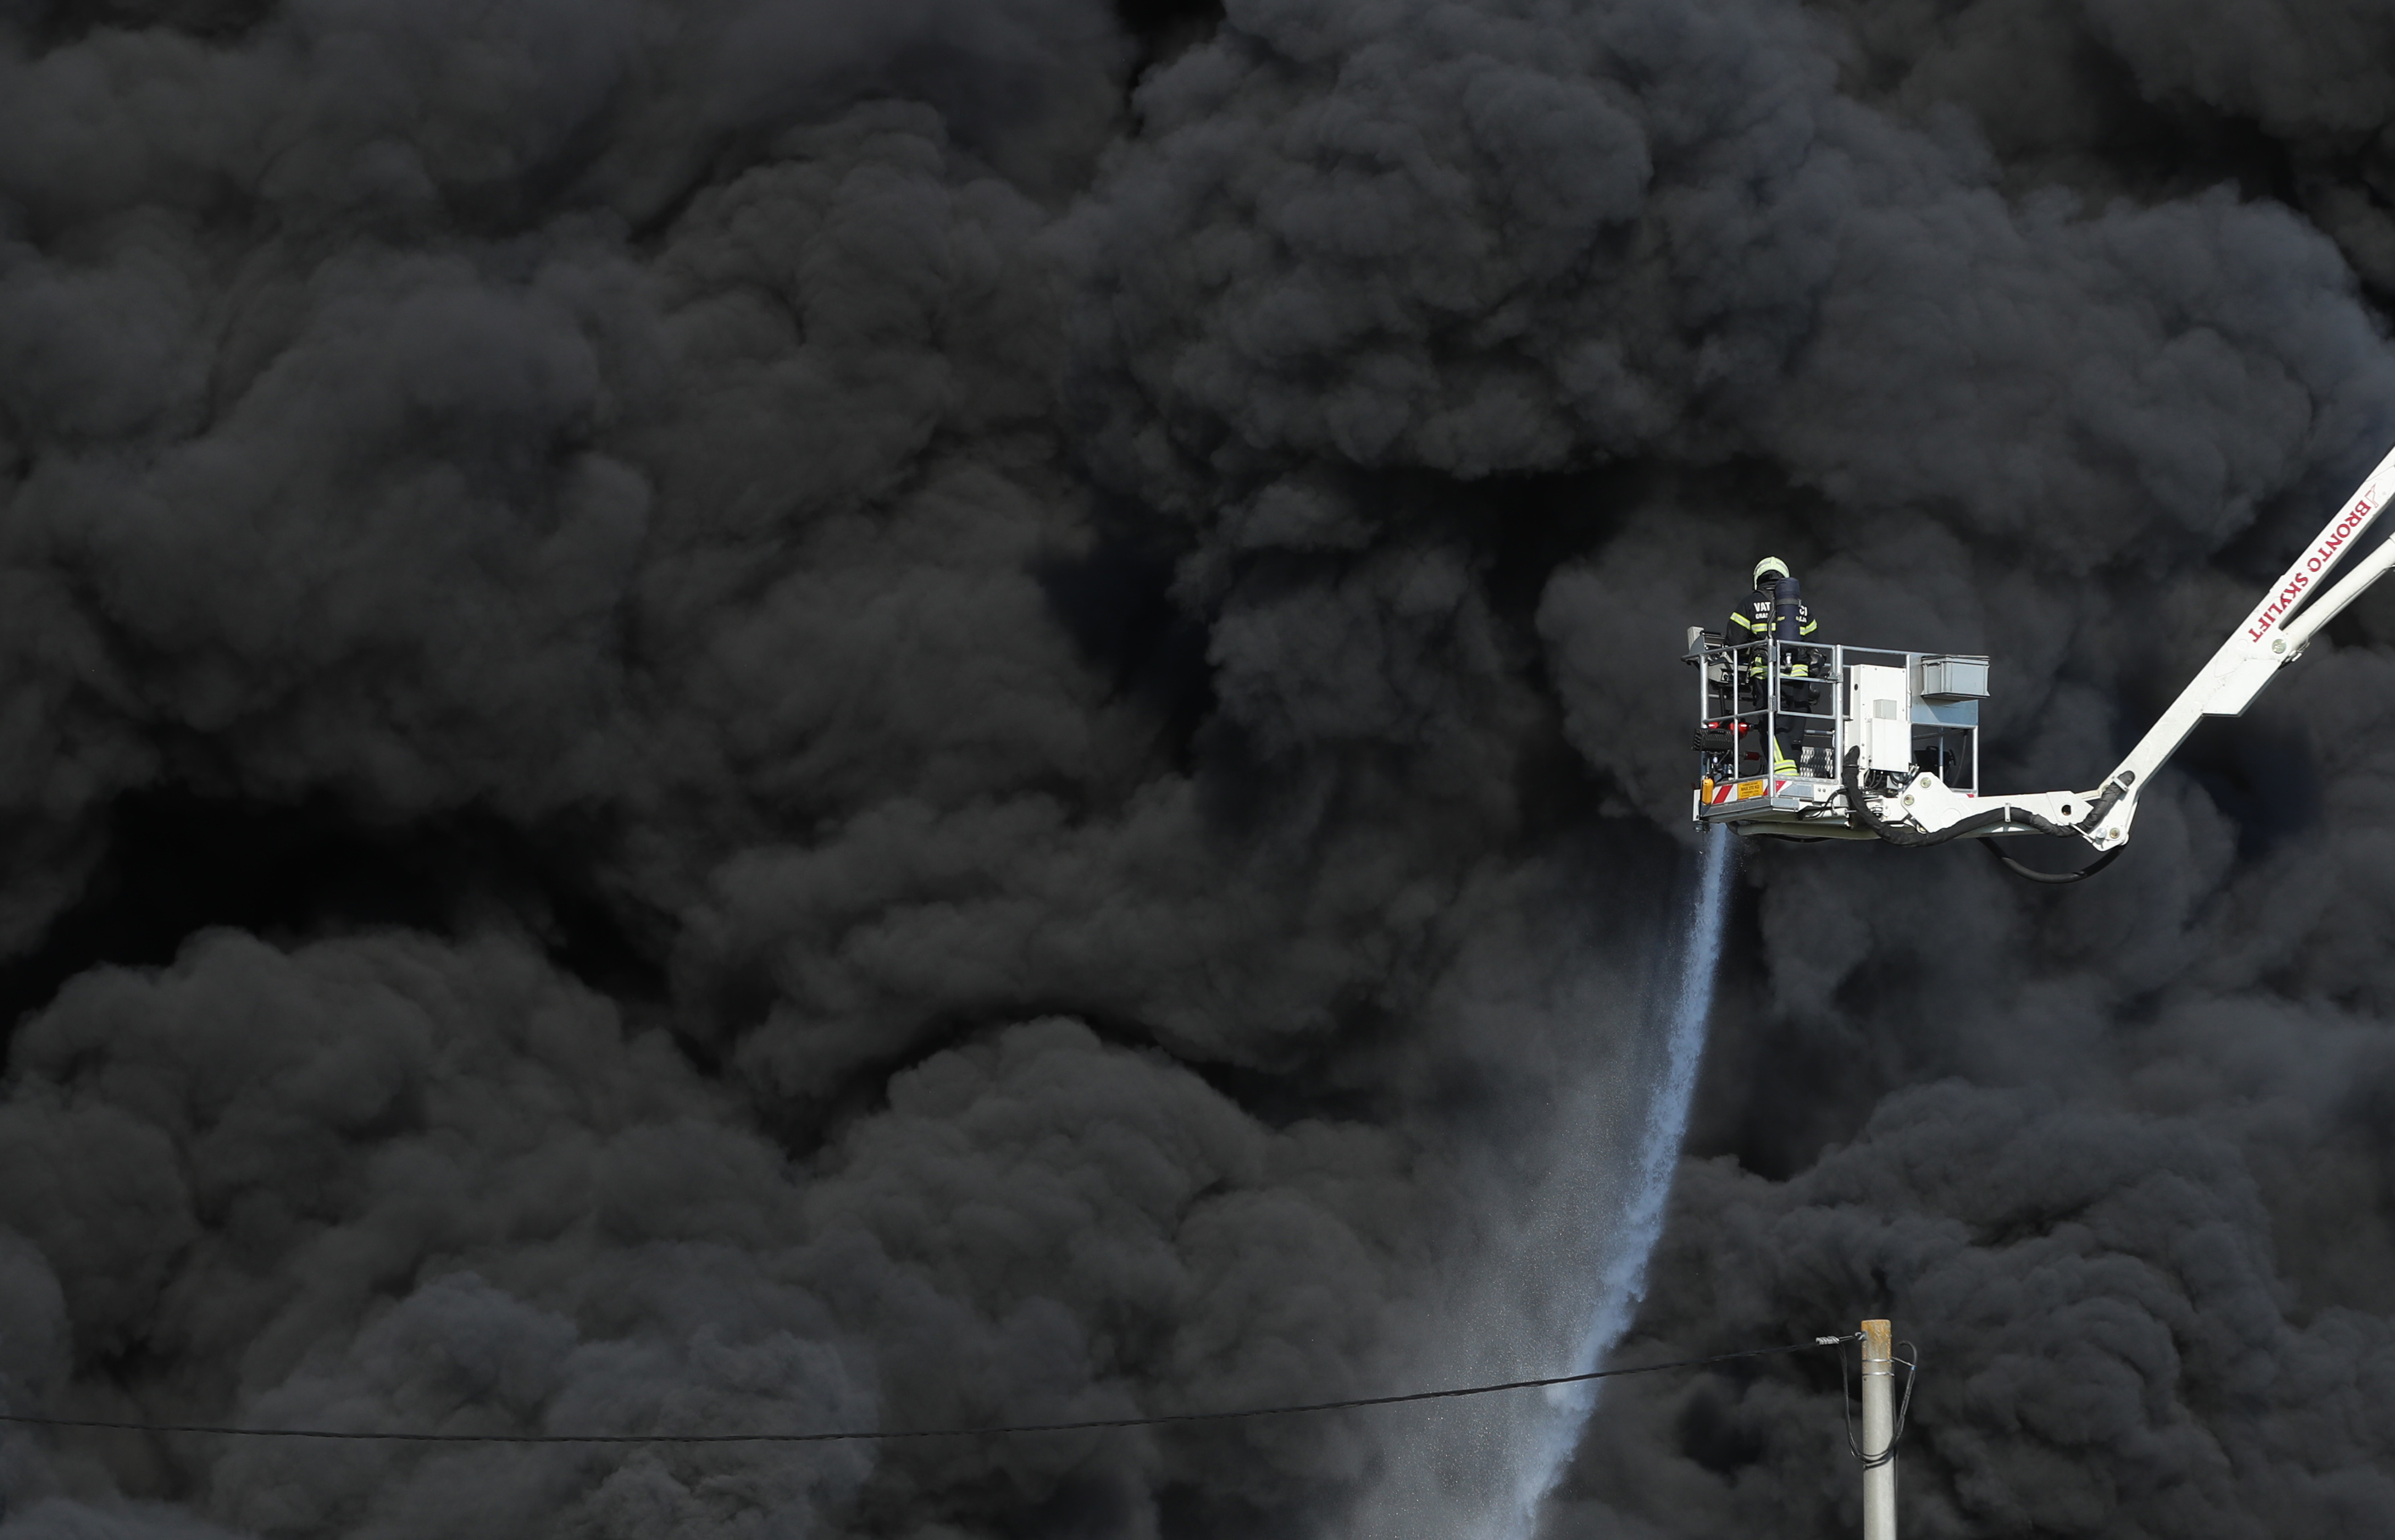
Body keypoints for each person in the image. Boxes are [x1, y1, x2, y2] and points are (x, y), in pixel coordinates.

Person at [1727, 557, 1820, 774]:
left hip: (1768, 676)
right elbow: (1814, 646)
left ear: (1758, 579)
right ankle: (1793, 773)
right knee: (1794, 733)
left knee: (1772, 727)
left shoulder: (1750, 603)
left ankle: (1785, 777)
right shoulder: (1803, 608)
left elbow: (1734, 643)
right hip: (1801, 679)